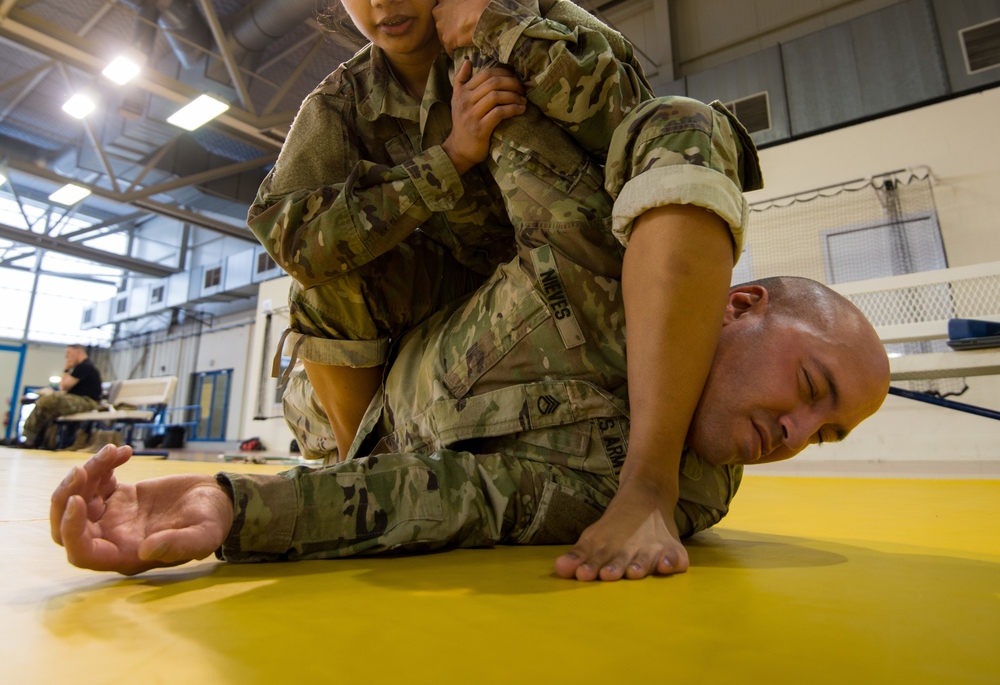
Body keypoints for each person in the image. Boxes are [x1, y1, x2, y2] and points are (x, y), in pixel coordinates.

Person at [50, 95, 890, 582]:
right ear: (740, 303)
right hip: (360, 363)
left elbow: (462, 499)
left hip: (389, 445)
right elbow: (631, 121)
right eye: (812, 389)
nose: (796, 435)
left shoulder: (699, 495)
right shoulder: (605, 248)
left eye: (826, 433)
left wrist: (233, 507)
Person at [249, 0, 654, 460]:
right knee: (322, 273)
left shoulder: (524, 29)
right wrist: (446, 162)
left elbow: (626, 113)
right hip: (415, 349)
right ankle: (365, 476)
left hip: (548, 306)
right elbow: (290, 237)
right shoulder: (342, 105)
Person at [22, 343, 102, 448]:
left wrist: (66, 369)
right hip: (78, 400)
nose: (66, 357)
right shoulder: (82, 367)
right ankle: (32, 440)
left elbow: (64, 387)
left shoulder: (85, 366)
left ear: (78, 352)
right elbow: (63, 388)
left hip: (88, 402)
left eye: (69, 353)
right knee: (44, 407)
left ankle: (31, 439)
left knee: (49, 400)